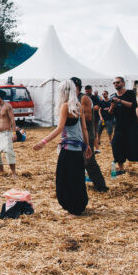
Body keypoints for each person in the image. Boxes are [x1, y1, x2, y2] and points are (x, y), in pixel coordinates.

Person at [34, 80, 92, 216]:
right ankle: (79, 205)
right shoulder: (78, 106)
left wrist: (43, 142)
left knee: (64, 178)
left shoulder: (65, 107)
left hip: (68, 149)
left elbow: (59, 128)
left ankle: (71, 205)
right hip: (78, 150)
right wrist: (87, 145)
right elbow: (84, 128)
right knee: (77, 178)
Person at [71, 77, 108, 192]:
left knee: (89, 161)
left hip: (87, 135)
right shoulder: (74, 98)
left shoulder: (84, 98)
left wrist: (72, 114)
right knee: (79, 161)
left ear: (76, 86)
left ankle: (101, 186)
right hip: (78, 135)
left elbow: (88, 117)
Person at [108, 76, 138, 174]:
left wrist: (120, 101)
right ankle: (121, 169)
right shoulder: (112, 96)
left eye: (118, 82)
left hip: (131, 125)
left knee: (134, 145)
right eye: (114, 83)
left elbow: (133, 105)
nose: (115, 84)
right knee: (116, 145)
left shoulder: (129, 93)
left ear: (123, 83)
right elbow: (110, 112)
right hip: (119, 126)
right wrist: (112, 107)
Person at [0, 89, 17, 177]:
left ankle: (14, 173)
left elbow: (12, 120)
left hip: (7, 132)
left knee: (8, 152)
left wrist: (14, 133)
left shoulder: (7, 106)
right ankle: (2, 172)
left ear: (0, 96)